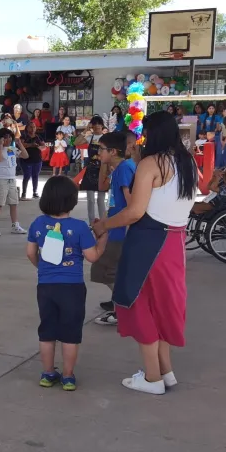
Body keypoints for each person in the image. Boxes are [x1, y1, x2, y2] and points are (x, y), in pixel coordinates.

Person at [93, 111, 197, 395]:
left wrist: (104, 225)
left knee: (140, 305)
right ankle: (166, 370)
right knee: (163, 306)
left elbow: (135, 212)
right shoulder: (187, 161)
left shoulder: (152, 163)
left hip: (149, 243)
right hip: (175, 243)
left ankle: (152, 378)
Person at [27, 176, 108, 391]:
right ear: (72, 200)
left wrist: (42, 269)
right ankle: (68, 377)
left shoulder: (37, 223)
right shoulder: (79, 227)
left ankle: (47, 373)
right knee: (70, 333)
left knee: (47, 330)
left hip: (45, 286)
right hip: (72, 287)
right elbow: (92, 257)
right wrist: (103, 238)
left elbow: (31, 253)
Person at [90, 131, 136, 325]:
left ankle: (123, 307)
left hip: (120, 229)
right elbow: (103, 188)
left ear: (114, 151)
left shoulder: (125, 169)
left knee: (104, 269)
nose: (98, 153)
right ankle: (121, 305)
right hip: (115, 226)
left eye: (101, 149)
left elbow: (130, 203)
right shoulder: (120, 168)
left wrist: (112, 225)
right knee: (111, 270)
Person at [0, 126, 28, 236]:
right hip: (1, 179)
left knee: (14, 203)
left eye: (10, 137)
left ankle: (15, 225)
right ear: (1, 138)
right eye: (6, 137)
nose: (9, 140)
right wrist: (2, 145)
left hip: (12, 179)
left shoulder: (11, 149)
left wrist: (20, 144)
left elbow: (25, 155)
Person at [75, 115, 107, 222]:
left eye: (99, 123)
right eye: (95, 124)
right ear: (91, 126)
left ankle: (102, 222)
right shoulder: (89, 138)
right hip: (90, 170)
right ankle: (91, 222)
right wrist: (85, 130)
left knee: (101, 199)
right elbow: (76, 142)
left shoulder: (107, 138)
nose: (97, 126)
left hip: (102, 170)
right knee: (90, 199)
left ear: (102, 125)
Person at [20, 122, 44, 199]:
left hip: (37, 159)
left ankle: (35, 191)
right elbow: (21, 145)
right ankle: (24, 193)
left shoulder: (38, 137)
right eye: (31, 127)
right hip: (26, 159)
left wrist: (39, 146)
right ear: (27, 128)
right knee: (26, 175)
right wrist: (31, 145)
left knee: (35, 175)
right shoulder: (24, 136)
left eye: (34, 127)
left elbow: (43, 146)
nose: (33, 129)